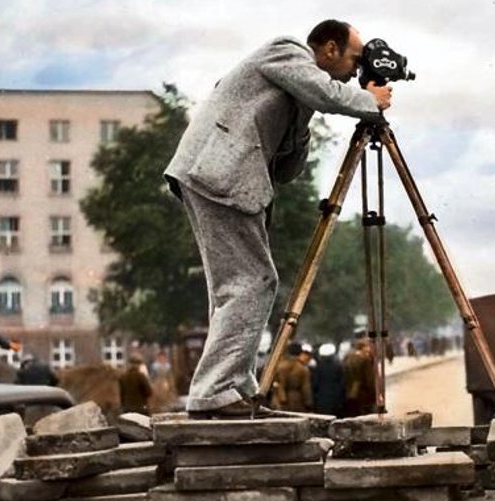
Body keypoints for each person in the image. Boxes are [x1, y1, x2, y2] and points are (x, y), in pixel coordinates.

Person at [163, 19, 391, 418]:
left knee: (236, 286)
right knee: (254, 281)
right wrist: (368, 101)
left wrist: (304, 123)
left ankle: (234, 387)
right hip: (220, 173)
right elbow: (327, 92)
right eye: (355, 59)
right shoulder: (287, 50)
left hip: (216, 176)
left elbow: (287, 169)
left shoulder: (297, 91)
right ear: (330, 49)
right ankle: (215, 391)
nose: (357, 70)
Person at [273, 342, 314, 412]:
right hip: (295, 401)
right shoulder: (303, 369)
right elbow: (306, 388)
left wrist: (282, 399)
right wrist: (308, 403)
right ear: (299, 353)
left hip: (277, 401)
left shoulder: (278, 366)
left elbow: (276, 384)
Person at [343, 338, 377, 416]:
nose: (369, 349)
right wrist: (373, 395)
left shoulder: (347, 357)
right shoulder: (364, 360)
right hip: (362, 394)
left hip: (347, 392)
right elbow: (370, 381)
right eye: (367, 346)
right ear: (363, 347)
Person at [312, 342, 346, 417]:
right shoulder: (338, 367)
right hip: (336, 398)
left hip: (321, 398)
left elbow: (315, 383)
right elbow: (342, 383)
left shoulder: (317, 367)